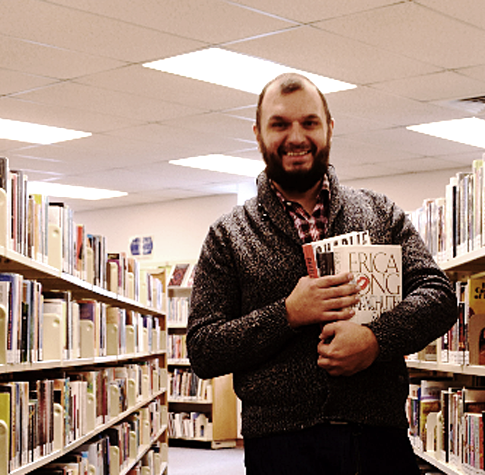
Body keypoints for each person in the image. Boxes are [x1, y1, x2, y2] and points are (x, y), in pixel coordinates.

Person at [186, 72, 457, 475]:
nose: (296, 137)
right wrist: (288, 314)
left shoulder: (380, 212)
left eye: (309, 122)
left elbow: (439, 295)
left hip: (380, 442)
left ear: (329, 128)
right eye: (279, 124)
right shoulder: (229, 235)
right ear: (258, 134)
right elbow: (204, 348)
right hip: (280, 450)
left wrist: (375, 340)